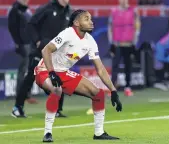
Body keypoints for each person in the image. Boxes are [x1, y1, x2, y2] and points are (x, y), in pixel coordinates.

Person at [35, 9, 122, 142]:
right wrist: (52, 73)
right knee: (57, 89)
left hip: (63, 72)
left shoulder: (90, 41)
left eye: (91, 19)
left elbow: (100, 69)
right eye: (86, 19)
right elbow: (45, 50)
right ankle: (47, 133)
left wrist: (113, 90)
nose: (91, 22)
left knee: (97, 94)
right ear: (76, 22)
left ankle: (99, 133)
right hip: (45, 69)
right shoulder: (68, 33)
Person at [12, 0, 72, 118]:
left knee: (59, 79)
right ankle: (17, 107)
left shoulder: (69, 13)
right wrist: (38, 41)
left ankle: (57, 110)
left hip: (57, 53)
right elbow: (31, 24)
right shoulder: (46, 9)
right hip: (40, 51)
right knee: (30, 78)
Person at [107, 0, 141, 96]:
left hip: (129, 43)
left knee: (128, 66)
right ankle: (112, 89)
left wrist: (135, 43)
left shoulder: (133, 11)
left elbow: (137, 27)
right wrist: (111, 43)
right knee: (115, 66)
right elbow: (110, 28)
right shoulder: (113, 11)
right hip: (117, 44)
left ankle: (128, 87)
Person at [7, 0, 37, 103]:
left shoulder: (26, 10)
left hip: (29, 43)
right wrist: (18, 43)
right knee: (23, 70)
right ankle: (20, 94)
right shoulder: (15, 10)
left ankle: (26, 94)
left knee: (28, 69)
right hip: (23, 44)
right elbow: (12, 28)